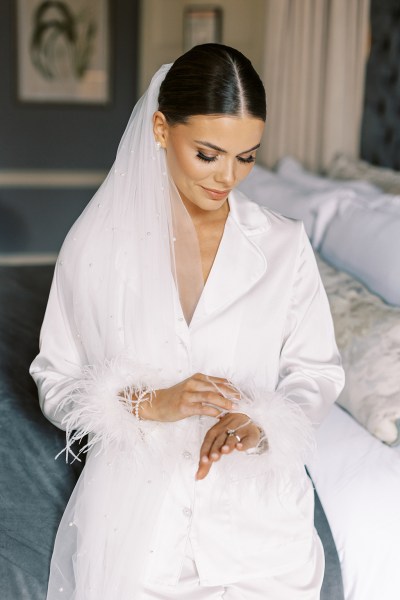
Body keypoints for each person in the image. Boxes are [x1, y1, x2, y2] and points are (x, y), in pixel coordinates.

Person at [30, 44, 345, 599]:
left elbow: (316, 371)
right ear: (159, 128)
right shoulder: (96, 246)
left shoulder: (283, 245)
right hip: (137, 525)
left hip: (260, 529)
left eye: (246, 157)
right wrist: (149, 404)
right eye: (208, 154)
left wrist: (263, 424)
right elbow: (57, 379)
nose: (228, 177)